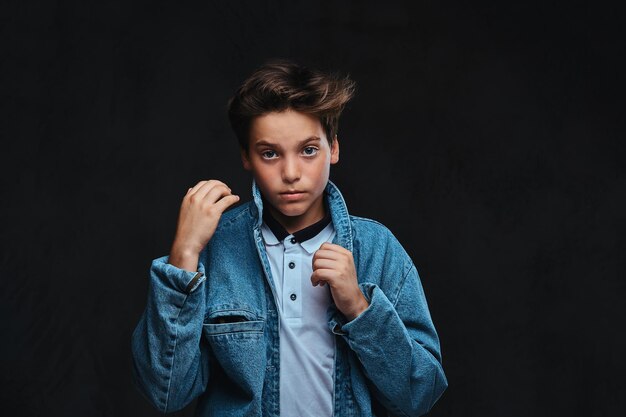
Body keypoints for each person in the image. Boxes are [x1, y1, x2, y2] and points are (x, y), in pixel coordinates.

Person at [131, 59, 447, 417]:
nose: (291, 173)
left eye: (309, 150)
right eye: (270, 153)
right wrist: (184, 254)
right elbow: (167, 393)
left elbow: (419, 395)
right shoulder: (215, 248)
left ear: (334, 149)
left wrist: (359, 307)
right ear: (246, 157)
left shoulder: (377, 248)